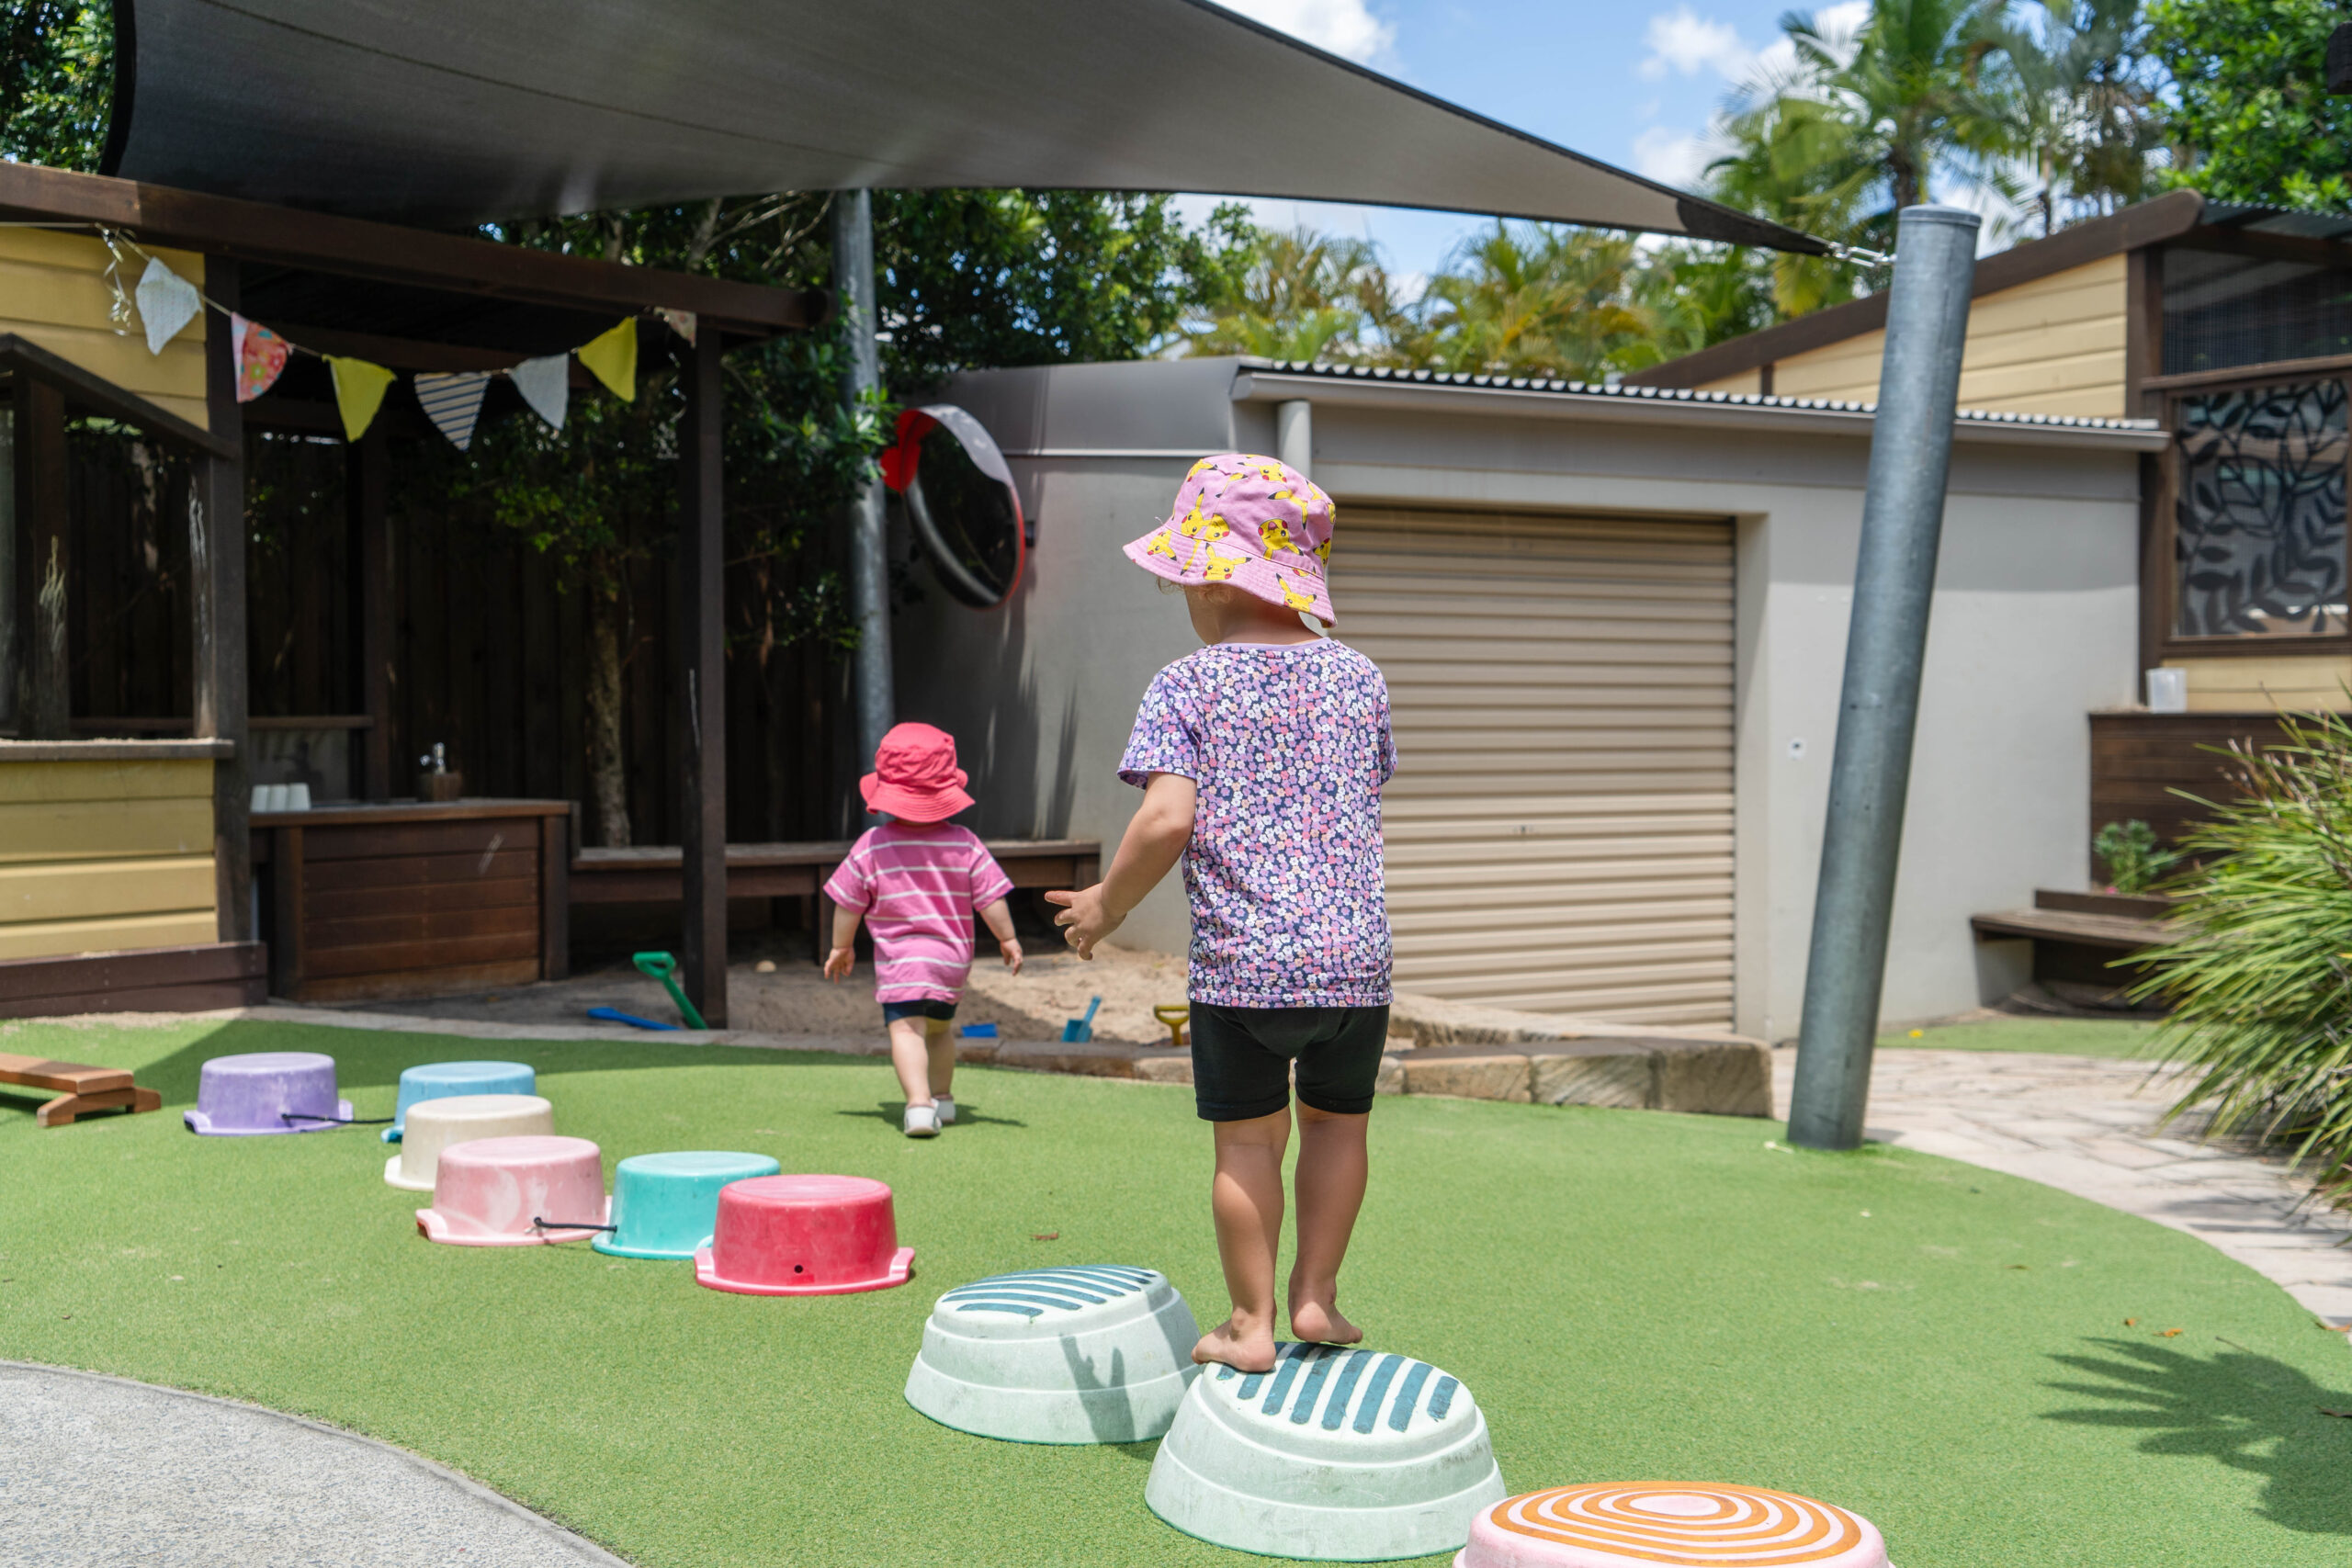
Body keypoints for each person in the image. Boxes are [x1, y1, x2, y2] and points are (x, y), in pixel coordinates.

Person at [1047, 453, 1396, 1373]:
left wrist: (1104, 908)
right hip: (1354, 967)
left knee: (1248, 1142)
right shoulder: (1360, 678)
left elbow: (1166, 818)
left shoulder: (1189, 683)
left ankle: (1248, 1326)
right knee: (1337, 1125)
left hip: (1243, 971)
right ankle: (1315, 1299)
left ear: (1208, 578)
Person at [824, 722, 1023, 1138]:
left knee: (906, 1029)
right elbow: (990, 898)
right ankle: (944, 1100)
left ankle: (918, 1105)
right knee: (940, 1029)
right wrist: (1007, 939)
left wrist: (841, 947)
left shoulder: (872, 846)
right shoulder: (965, 843)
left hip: (901, 962)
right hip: (951, 961)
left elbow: (848, 903)